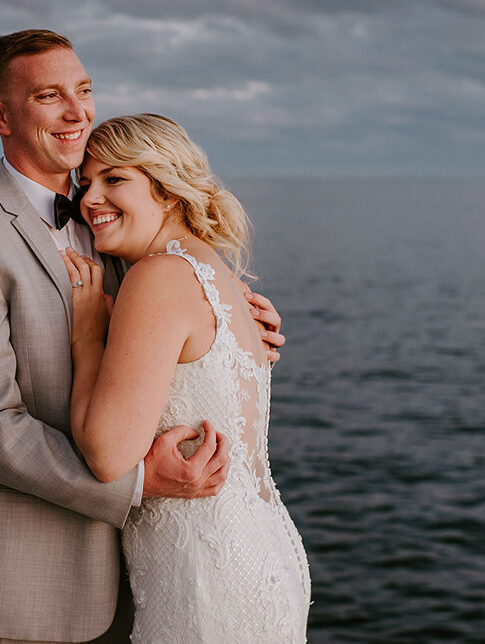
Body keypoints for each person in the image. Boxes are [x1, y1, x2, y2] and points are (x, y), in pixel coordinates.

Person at [0, 30, 286, 644]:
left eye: (84, 91)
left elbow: (170, 322)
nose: (78, 111)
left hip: (152, 579)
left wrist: (237, 325)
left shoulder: (111, 217)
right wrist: (140, 482)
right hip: (29, 588)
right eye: (49, 96)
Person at [64, 113, 311, 643]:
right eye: (86, 182)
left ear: (169, 192)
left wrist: (88, 336)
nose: (90, 199)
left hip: (207, 575)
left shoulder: (158, 278)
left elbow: (108, 456)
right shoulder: (222, 277)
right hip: (265, 554)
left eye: (114, 179)